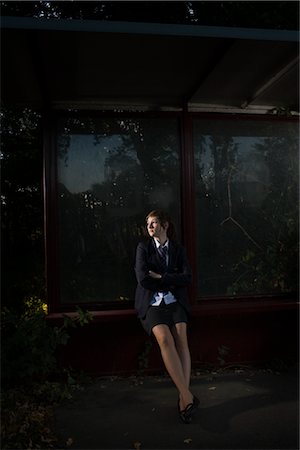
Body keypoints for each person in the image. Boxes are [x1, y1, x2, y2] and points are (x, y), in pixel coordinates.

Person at [134, 209, 199, 424]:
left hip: (175, 301)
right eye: (148, 223)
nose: (150, 227)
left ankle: (183, 398)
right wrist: (172, 279)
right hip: (152, 303)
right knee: (165, 339)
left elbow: (187, 278)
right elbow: (143, 279)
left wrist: (162, 277)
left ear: (165, 225)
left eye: (154, 223)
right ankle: (187, 396)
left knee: (182, 340)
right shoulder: (143, 248)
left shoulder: (178, 250)